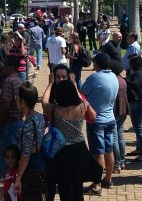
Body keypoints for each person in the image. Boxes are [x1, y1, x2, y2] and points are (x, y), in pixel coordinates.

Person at [41, 64, 101, 201]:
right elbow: (92, 116)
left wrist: (50, 84)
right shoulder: (82, 107)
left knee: (64, 186)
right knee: (77, 185)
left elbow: (44, 102)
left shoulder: (54, 110)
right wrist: (74, 85)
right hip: (79, 149)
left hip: (62, 152)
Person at [80, 53, 118, 195]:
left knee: (97, 153)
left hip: (96, 120)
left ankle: (97, 184)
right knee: (109, 150)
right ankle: (108, 179)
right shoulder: (114, 76)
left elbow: (81, 93)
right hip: (110, 119)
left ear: (98, 64)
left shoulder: (94, 78)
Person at [0, 55, 24, 178]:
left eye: (5, 64)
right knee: (17, 157)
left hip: (9, 126)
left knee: (7, 160)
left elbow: (5, 107)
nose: (3, 67)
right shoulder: (19, 81)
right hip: (19, 122)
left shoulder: (8, 82)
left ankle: (9, 186)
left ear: (11, 66)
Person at [13, 82, 46, 201]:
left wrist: (18, 177)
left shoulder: (28, 124)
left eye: (17, 98)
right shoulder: (40, 117)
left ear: (22, 101)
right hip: (40, 161)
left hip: (30, 165)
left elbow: (25, 155)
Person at [125, 54, 142, 162]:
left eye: (130, 62)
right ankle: (139, 149)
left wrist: (124, 80)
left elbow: (135, 85)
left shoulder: (139, 73)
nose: (128, 64)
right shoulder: (135, 72)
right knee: (137, 127)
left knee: (139, 128)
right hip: (134, 102)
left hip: (138, 103)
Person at [110, 60, 129, 174]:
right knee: (121, 136)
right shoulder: (122, 80)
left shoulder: (114, 80)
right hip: (123, 110)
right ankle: (122, 161)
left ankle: (116, 164)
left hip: (115, 110)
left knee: (114, 138)